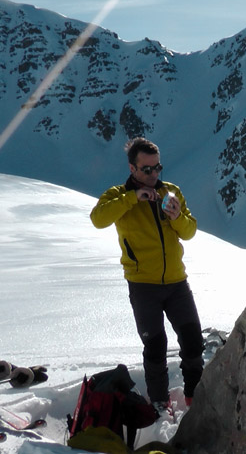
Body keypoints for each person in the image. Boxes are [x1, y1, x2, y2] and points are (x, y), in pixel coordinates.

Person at [90, 137, 204, 409]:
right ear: (132, 169)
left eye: (157, 168)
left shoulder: (171, 192)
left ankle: (197, 400)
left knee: (193, 342)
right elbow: (98, 219)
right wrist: (132, 198)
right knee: (155, 349)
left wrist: (178, 217)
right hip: (143, 286)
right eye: (147, 169)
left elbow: (189, 232)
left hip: (177, 282)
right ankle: (159, 405)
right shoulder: (117, 196)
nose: (154, 175)